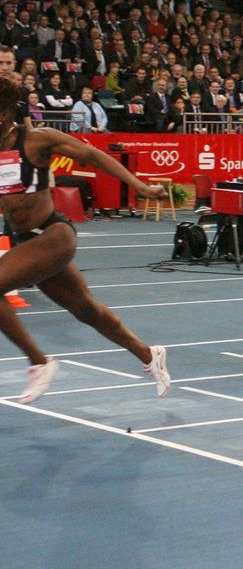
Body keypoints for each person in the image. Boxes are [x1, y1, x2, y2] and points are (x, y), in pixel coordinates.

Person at [0, 77, 171, 404]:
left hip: (54, 235)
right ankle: (149, 353)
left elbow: (93, 155)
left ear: (5, 114)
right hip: (27, 243)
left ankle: (39, 362)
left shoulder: (36, 140)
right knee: (86, 310)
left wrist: (141, 187)